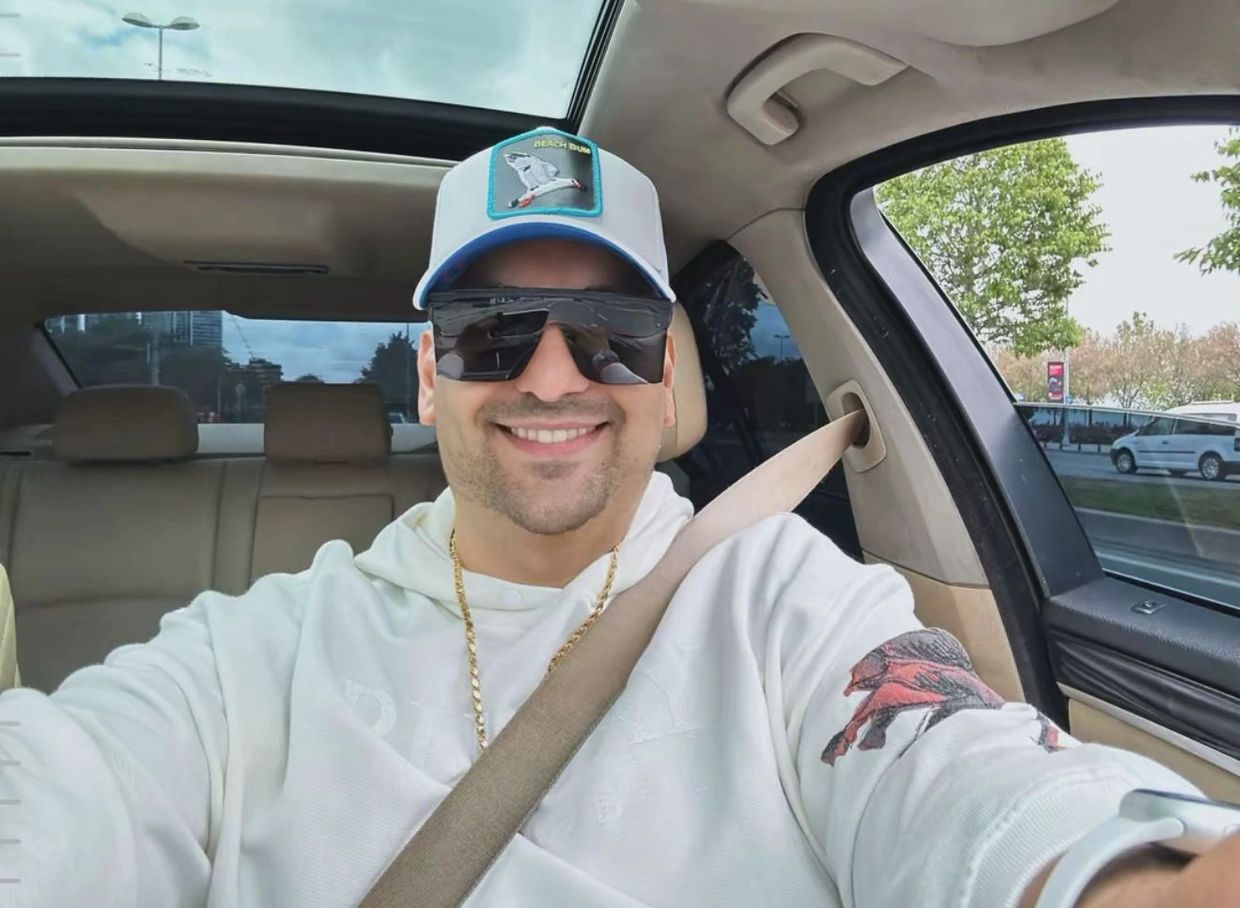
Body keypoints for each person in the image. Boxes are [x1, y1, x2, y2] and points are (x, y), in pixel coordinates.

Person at [0, 126, 1235, 908]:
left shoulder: (790, 603)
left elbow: (968, 782)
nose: (551, 377)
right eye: (491, 329)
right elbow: (66, 785)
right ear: (428, 375)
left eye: (612, 334)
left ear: (665, 377)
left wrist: (1142, 876)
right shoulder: (250, 656)